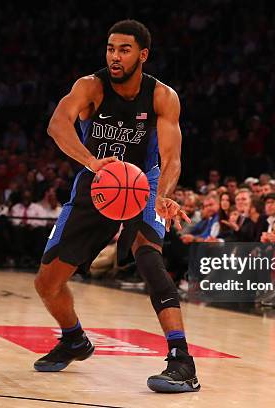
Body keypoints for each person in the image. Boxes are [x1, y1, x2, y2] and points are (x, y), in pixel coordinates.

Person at [33, 20, 198, 393]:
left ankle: (181, 360)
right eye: (110, 48)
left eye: (124, 49)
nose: (114, 56)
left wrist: (164, 195)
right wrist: (92, 162)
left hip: (143, 183)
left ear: (143, 55)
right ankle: (74, 339)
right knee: (47, 283)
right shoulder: (90, 86)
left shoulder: (162, 96)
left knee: (148, 259)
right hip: (98, 183)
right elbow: (58, 125)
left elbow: (172, 158)